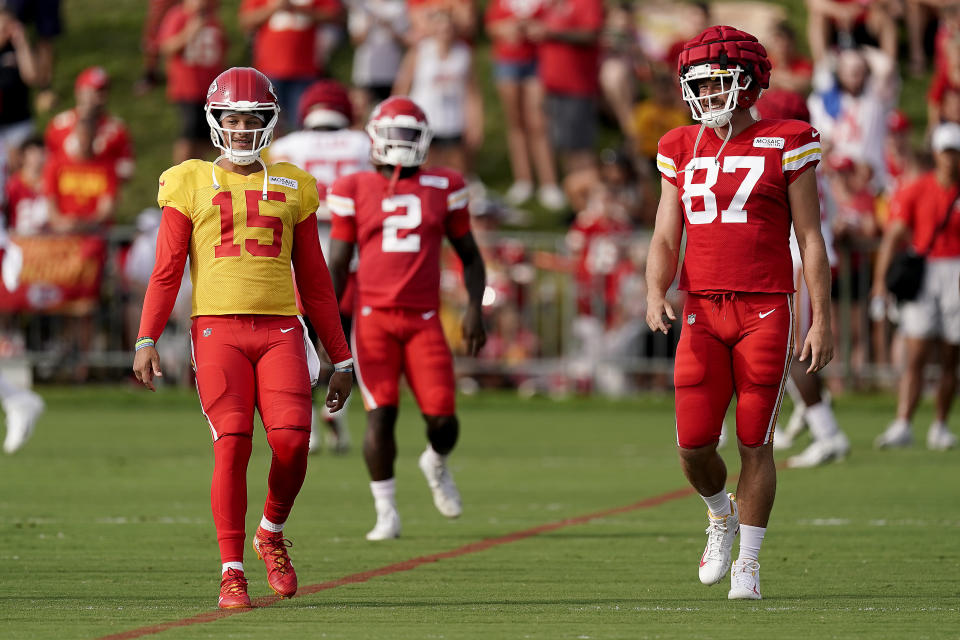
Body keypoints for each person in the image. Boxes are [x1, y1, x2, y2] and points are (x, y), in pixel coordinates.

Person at [132, 67, 353, 609]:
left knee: (294, 443)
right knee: (232, 444)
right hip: (217, 329)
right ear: (215, 121)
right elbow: (166, 270)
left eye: (252, 118)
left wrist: (341, 357)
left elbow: (317, 281)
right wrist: (146, 338)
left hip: (280, 329)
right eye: (232, 118)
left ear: (270, 122)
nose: (241, 128)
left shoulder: (293, 183)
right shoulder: (187, 180)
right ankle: (232, 570)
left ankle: (270, 532)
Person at [645, 26, 833, 600]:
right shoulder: (681, 145)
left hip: (765, 308)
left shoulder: (787, 138)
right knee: (693, 443)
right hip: (702, 307)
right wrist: (655, 291)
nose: (706, 92)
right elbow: (663, 234)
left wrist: (821, 317)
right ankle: (719, 515)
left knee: (756, 440)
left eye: (718, 80)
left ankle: (749, 561)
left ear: (749, 82)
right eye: (697, 82)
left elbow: (811, 237)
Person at [326, 96, 486, 541]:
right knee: (381, 415)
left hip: (425, 318)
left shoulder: (445, 184)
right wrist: (327, 326)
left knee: (444, 418)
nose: (400, 145)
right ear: (375, 137)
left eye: (409, 136)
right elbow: (338, 263)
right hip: (373, 317)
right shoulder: (353, 186)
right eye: (393, 135)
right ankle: (386, 512)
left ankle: (435, 462)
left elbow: (470, 256)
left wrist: (474, 307)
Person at [269, 78, 373, 453]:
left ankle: (307, 422)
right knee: (338, 342)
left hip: (299, 254)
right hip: (349, 254)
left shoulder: (284, 146)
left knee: (300, 342)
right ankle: (337, 414)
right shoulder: (363, 143)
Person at [870, 122, 960, 451]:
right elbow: (893, 234)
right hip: (926, 272)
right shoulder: (917, 188)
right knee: (916, 352)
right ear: (936, 153)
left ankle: (940, 425)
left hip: (957, 272)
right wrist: (879, 283)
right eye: (946, 152)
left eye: (955, 152)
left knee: (951, 354)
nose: (951, 159)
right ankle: (903, 422)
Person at [157, 0, 228, 163]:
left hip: (211, 89)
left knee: (207, 136)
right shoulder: (178, 16)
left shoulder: (212, 19)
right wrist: (189, 33)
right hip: (187, 87)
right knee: (189, 134)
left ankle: (200, 172)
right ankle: (181, 173)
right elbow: (166, 47)